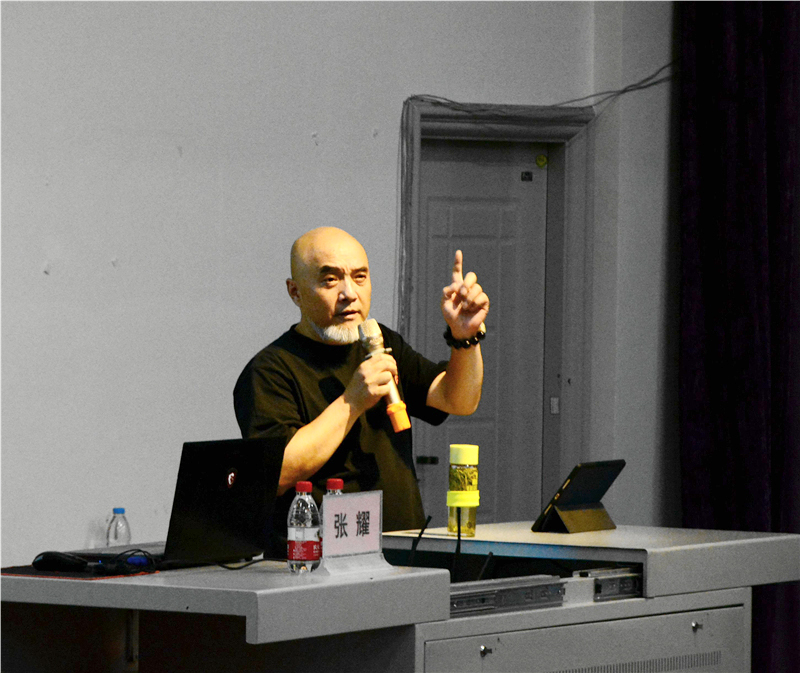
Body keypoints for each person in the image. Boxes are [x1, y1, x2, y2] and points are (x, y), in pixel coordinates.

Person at [233, 227, 489, 554]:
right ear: (295, 292)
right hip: (318, 561)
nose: (349, 293)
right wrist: (351, 401)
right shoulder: (271, 369)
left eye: (360, 277)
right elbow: (278, 472)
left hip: (401, 552)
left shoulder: (379, 341)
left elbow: (458, 400)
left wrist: (465, 339)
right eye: (330, 280)